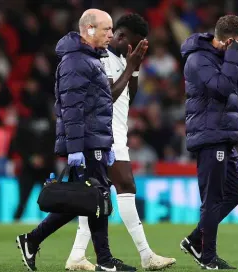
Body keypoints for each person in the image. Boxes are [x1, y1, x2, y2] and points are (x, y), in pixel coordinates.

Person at [16, 9, 136, 272]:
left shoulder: (89, 59)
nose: (111, 35)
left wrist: (106, 145)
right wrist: (75, 150)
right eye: (106, 29)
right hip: (86, 143)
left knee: (89, 199)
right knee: (95, 197)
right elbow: (72, 109)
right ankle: (104, 260)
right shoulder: (76, 62)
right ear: (90, 29)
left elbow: (98, 106)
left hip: (96, 141)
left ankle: (33, 240)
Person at [66, 13, 176, 271]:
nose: (133, 50)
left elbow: (128, 95)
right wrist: (130, 67)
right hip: (104, 134)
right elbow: (107, 97)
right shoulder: (101, 60)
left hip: (116, 132)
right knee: (125, 185)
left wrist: (134, 67)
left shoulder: (121, 60)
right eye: (132, 44)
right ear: (122, 37)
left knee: (93, 197)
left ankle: (76, 255)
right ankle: (146, 255)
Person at [179, 15, 238, 269]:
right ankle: (208, 257)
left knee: (237, 191)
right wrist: (232, 58)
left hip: (224, 135)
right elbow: (220, 88)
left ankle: (195, 239)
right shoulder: (198, 59)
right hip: (210, 136)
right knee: (212, 199)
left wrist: (237, 64)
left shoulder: (224, 57)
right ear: (231, 39)